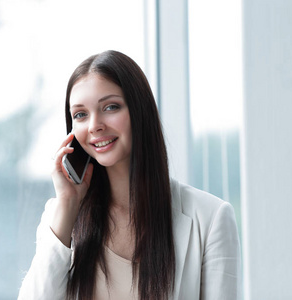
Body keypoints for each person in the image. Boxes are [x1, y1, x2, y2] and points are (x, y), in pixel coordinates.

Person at [18, 50, 241, 300]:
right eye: (80, 114)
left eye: (110, 107)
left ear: (139, 111)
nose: (94, 125)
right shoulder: (60, 216)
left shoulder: (210, 219)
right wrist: (68, 204)